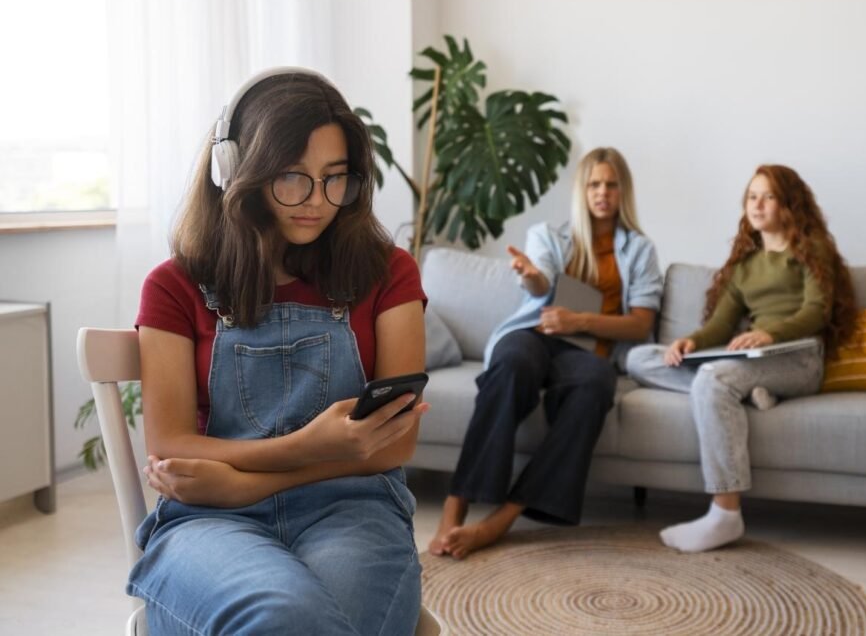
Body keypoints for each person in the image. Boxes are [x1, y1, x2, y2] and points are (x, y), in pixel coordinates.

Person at [130, 67, 428, 635]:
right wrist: (309, 447)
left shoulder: (389, 273)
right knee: (287, 617)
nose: (317, 201)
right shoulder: (173, 286)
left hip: (354, 508)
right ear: (235, 170)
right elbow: (168, 444)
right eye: (293, 177)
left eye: (335, 178)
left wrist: (248, 481)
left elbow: (398, 441)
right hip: (207, 517)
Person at [429, 147, 663, 559]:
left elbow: (641, 323)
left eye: (611, 184)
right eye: (594, 184)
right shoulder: (550, 236)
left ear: (623, 190)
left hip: (589, 351)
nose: (602, 192)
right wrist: (534, 277)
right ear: (582, 189)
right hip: (534, 334)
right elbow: (538, 287)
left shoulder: (640, 250)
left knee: (595, 386)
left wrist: (579, 322)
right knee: (512, 364)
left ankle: (501, 519)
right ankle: (456, 503)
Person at [626, 164, 858, 553]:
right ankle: (747, 393)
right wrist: (689, 342)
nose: (758, 204)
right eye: (752, 196)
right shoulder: (745, 265)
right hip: (752, 360)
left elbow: (816, 311)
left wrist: (771, 333)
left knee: (713, 380)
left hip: (798, 357)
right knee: (639, 358)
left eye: (769, 196)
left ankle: (725, 513)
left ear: (789, 205)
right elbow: (720, 326)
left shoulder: (810, 249)